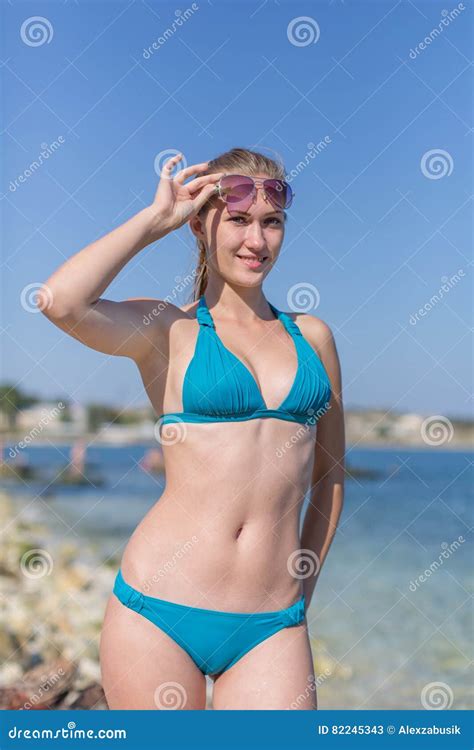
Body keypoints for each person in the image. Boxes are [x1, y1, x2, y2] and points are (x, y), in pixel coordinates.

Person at [40, 147, 345, 710]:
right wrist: (154, 222)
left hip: (272, 624)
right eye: (238, 220)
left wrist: (303, 587)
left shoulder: (313, 337)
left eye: (272, 222)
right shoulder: (169, 331)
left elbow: (329, 478)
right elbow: (60, 302)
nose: (257, 241)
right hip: (159, 610)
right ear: (203, 226)